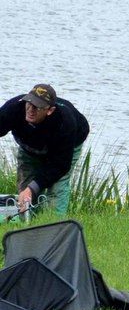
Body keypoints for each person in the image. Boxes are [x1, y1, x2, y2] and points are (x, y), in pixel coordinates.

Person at [0, 84, 90, 216]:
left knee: (56, 187)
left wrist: (33, 188)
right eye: (29, 104)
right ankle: (27, 224)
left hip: (65, 147)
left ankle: (53, 225)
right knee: (25, 190)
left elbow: (60, 165)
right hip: (29, 148)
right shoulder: (14, 108)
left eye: (37, 107)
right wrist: (29, 189)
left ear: (49, 110)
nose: (30, 110)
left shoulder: (65, 122)